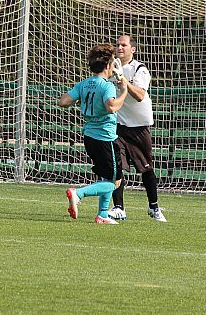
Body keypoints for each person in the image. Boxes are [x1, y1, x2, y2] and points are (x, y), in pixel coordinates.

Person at [59, 43, 128, 224]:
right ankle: (78, 194)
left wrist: (82, 99)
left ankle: (102, 215)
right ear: (108, 65)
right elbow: (112, 107)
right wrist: (124, 92)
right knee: (115, 182)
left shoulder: (84, 84)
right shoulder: (107, 86)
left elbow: (63, 101)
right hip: (106, 138)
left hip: (89, 137)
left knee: (107, 177)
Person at [107, 35, 167, 222]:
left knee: (146, 168)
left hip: (139, 127)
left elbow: (140, 95)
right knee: (115, 166)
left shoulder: (139, 69)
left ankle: (154, 207)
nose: (119, 48)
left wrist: (123, 80)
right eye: (117, 45)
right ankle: (118, 208)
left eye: (123, 45)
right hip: (118, 126)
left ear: (133, 49)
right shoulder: (109, 68)